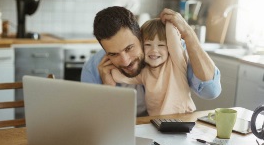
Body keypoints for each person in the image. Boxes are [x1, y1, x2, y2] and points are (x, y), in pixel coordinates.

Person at [81, 6, 221, 116]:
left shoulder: (168, 51)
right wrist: (107, 88)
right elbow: (95, 122)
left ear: (140, 36)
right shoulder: (94, 69)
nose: (125, 61)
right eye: (113, 54)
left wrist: (188, 34)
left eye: (129, 48)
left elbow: (210, 91)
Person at [111, 19, 195, 115]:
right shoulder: (144, 72)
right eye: (147, 45)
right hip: (157, 121)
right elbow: (118, 76)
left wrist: (168, 19)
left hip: (183, 116)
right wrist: (111, 60)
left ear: (169, 47)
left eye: (161, 45)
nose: (154, 50)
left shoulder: (176, 63)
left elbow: (173, 37)